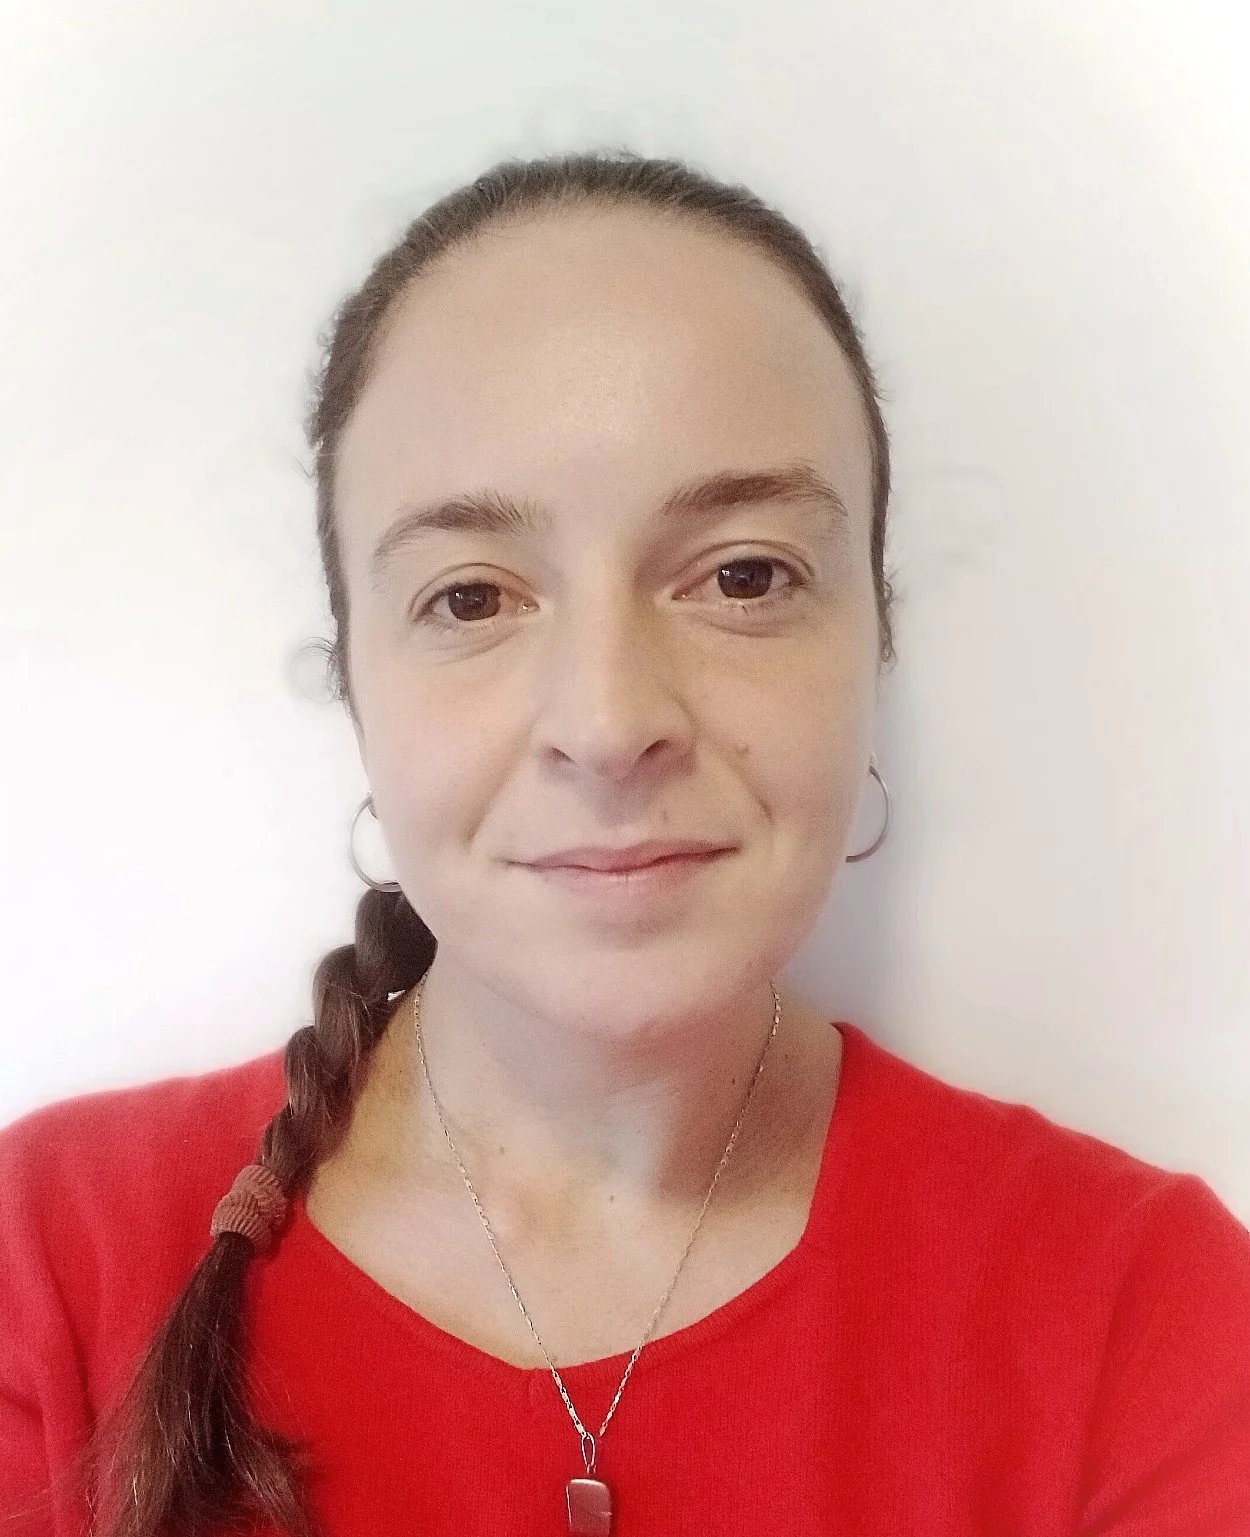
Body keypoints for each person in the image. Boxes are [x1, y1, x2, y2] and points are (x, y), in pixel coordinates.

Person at [1, 149, 1248, 1537]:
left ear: (872, 639)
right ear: (353, 678)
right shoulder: (48, 1267)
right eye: (472, 597)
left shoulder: (1145, 1316)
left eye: (743, 576)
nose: (607, 725)